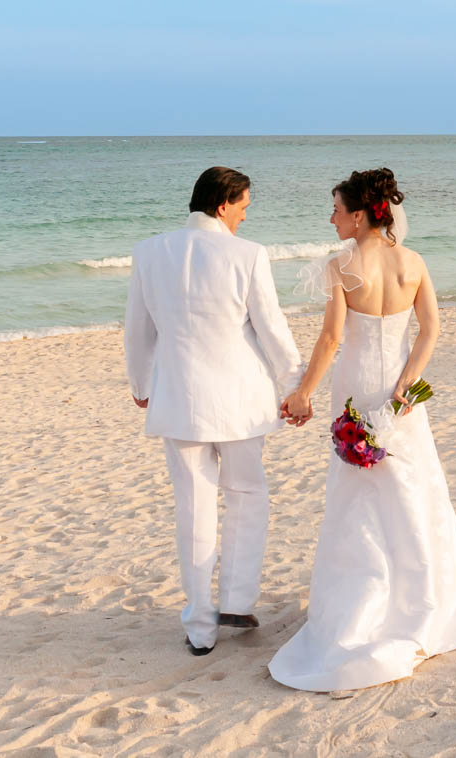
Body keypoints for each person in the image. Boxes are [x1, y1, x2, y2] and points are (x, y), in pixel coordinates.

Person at [269, 167, 456, 691]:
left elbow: (332, 338)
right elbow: (431, 329)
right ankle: (424, 596)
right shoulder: (413, 262)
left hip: (355, 388)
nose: (331, 218)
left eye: (335, 209)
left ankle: (365, 599)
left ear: (359, 214)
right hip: (399, 395)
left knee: (359, 495)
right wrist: (406, 385)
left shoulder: (342, 267)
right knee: (413, 486)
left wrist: (304, 392)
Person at [124, 166, 305, 656]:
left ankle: (200, 624)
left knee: (193, 507)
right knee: (247, 494)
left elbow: (138, 329)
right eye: (244, 206)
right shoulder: (247, 255)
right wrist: (294, 383)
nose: (245, 217)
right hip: (241, 402)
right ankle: (237, 600)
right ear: (223, 204)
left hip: (178, 399)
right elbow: (270, 327)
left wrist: (141, 382)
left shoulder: (148, 251)